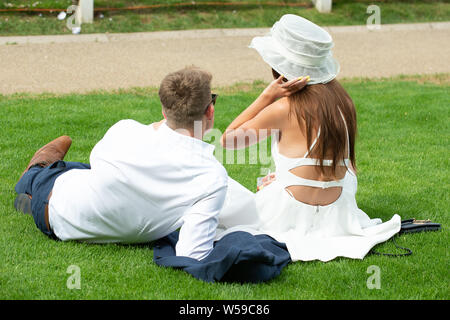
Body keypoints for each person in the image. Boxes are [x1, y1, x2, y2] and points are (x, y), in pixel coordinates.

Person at [218, 14, 401, 262]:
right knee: (276, 179)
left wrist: (266, 96)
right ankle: (282, 181)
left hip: (290, 211)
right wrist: (285, 176)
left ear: (281, 67)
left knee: (221, 187)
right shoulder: (343, 100)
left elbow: (228, 140)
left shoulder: (284, 108)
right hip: (337, 212)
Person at [14, 67, 228, 261]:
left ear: (164, 112)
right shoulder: (212, 176)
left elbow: (99, 163)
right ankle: (35, 173)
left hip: (59, 209)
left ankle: (36, 178)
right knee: (73, 172)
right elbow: (192, 253)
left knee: (75, 171)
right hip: (64, 207)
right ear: (210, 111)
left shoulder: (125, 130)